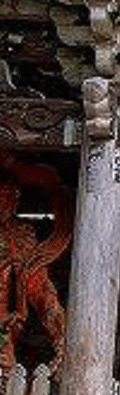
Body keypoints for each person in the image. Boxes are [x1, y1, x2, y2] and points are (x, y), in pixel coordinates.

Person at [0, 153, 71, 375]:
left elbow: (41, 290)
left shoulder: (18, 238)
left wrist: (60, 337)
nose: (4, 202)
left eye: (9, 196)